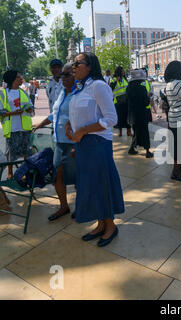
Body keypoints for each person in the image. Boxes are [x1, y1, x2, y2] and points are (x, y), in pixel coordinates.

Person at [65, 52, 124, 247]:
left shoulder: (99, 86)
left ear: (90, 66)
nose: (73, 67)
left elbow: (111, 119)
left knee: (101, 185)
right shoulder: (79, 89)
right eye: (73, 64)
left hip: (97, 144)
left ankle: (110, 226)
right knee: (90, 185)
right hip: (83, 144)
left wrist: (82, 130)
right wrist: (70, 128)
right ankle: (100, 223)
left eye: (77, 63)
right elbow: (77, 115)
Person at [33, 63, 77, 221]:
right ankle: (63, 207)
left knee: (77, 177)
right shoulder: (61, 92)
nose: (62, 78)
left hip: (73, 142)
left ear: (75, 76)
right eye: (61, 75)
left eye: (66, 75)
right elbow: (54, 114)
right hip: (58, 141)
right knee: (57, 176)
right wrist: (40, 124)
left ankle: (81, 207)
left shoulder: (79, 94)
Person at [0, 70, 34, 179]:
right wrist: (13, 113)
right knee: (11, 153)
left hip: (24, 127)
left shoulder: (23, 92)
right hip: (12, 128)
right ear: (13, 79)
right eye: (18, 77)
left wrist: (30, 109)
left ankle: (26, 172)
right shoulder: (3, 94)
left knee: (26, 151)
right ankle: (10, 173)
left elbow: (31, 106)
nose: (21, 78)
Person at [126, 69, 153, 158]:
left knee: (136, 132)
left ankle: (132, 148)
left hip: (132, 115)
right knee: (144, 132)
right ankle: (147, 151)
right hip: (141, 114)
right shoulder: (141, 88)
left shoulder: (129, 88)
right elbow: (145, 102)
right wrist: (148, 97)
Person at [110, 66, 132, 137]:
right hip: (118, 101)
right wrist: (116, 81)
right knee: (119, 117)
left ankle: (129, 131)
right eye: (122, 71)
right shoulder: (113, 79)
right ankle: (120, 132)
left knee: (127, 116)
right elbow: (110, 88)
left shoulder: (125, 78)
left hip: (126, 100)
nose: (124, 72)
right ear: (119, 71)